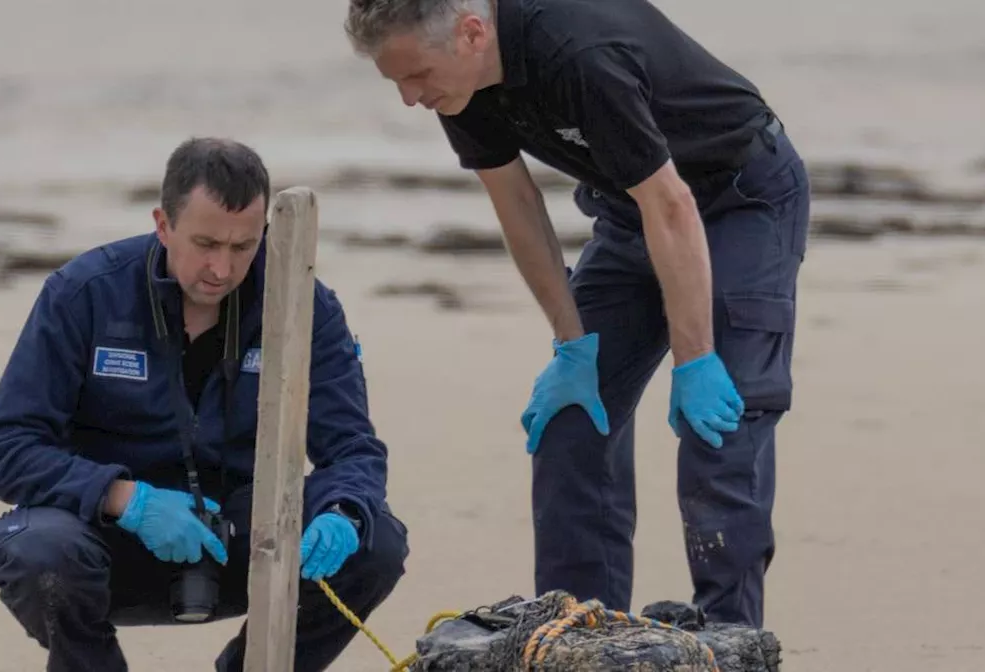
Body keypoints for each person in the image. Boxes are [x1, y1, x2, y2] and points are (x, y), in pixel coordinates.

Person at [343, 0, 809, 629]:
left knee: (717, 430)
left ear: (472, 33)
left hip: (739, 198)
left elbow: (671, 203)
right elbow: (518, 205)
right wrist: (571, 345)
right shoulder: (459, 83)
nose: (409, 98)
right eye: (396, 81)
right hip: (631, 210)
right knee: (570, 421)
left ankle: (730, 636)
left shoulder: (579, 52)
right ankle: (579, 636)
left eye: (416, 76)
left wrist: (695, 358)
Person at [0, 137, 409, 672]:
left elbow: (354, 451)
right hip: (109, 539)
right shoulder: (83, 293)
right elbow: (3, 450)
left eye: (242, 247)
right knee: (35, 551)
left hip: (246, 537)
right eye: (205, 243)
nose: (221, 270)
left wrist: (343, 511)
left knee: (375, 538)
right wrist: (125, 498)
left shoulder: (304, 304)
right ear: (163, 224)